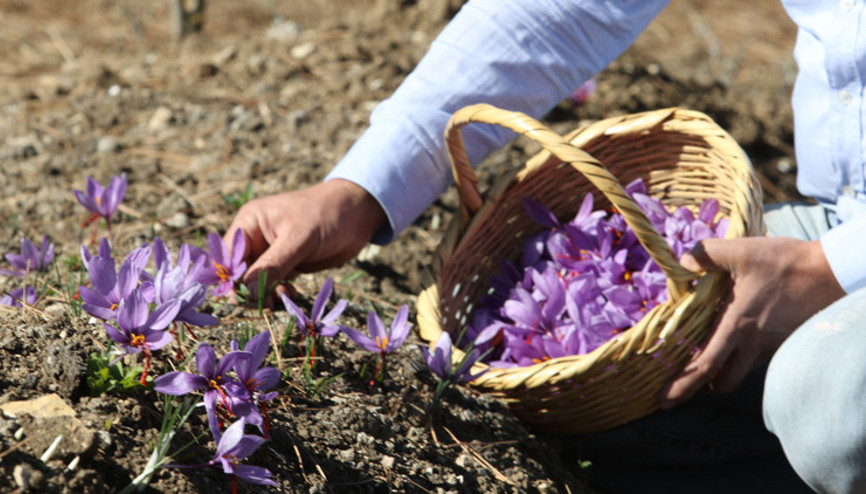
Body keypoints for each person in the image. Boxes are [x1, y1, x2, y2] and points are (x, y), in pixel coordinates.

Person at [226, 1, 866, 491]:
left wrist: (831, 268)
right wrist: (361, 190)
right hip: (840, 217)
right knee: (559, 402)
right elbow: (562, 9)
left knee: (824, 405)